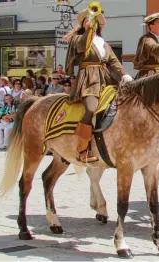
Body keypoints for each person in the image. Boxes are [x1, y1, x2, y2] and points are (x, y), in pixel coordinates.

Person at [63, 1, 133, 163]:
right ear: (83, 23)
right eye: (88, 19)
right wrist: (88, 29)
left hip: (105, 78)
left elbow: (114, 62)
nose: (91, 21)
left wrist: (124, 75)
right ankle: (82, 149)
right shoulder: (77, 38)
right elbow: (82, 46)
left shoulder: (103, 43)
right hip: (88, 79)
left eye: (93, 19)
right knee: (91, 108)